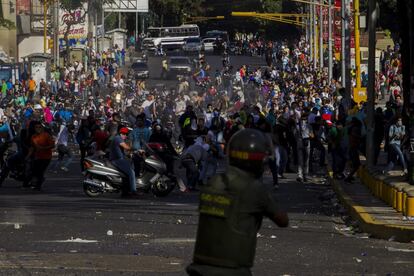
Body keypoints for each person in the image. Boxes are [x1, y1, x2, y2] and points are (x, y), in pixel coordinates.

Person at [186, 128, 288, 276]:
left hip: (200, 267)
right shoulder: (254, 189)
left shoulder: (214, 182)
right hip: (233, 270)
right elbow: (283, 220)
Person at [24, 122, 55, 190]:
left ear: (42, 128)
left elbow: (53, 145)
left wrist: (44, 148)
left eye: (39, 127)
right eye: (36, 127)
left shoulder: (46, 135)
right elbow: (32, 148)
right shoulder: (33, 137)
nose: (38, 128)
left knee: (40, 171)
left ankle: (38, 186)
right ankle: (35, 183)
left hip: (46, 157)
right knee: (35, 171)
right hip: (38, 157)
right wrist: (28, 156)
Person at [109, 127, 138, 198]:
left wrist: (130, 154)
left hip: (119, 159)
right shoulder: (118, 138)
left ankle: (125, 191)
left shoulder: (118, 138)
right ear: (121, 133)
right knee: (131, 172)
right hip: (117, 160)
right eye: (125, 134)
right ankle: (133, 191)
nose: (126, 136)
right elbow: (126, 147)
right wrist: (136, 149)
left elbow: (124, 151)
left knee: (126, 173)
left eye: (127, 134)